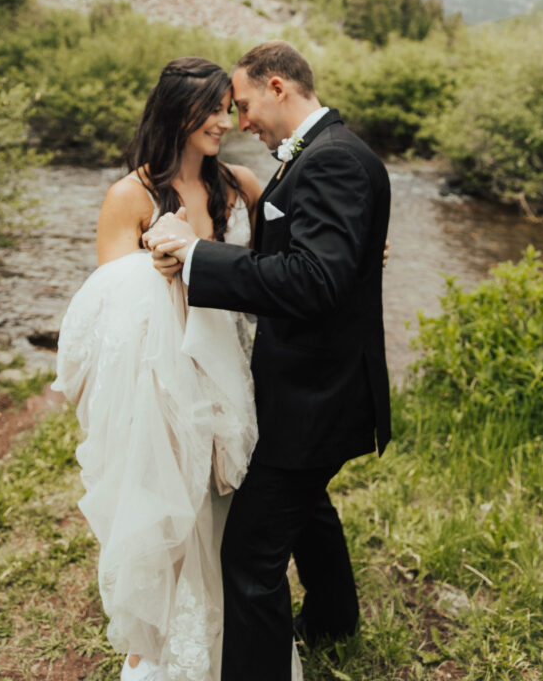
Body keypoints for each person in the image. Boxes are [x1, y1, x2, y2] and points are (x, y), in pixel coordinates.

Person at [146, 40, 392, 681]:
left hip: (315, 393)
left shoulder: (332, 160)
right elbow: (326, 257)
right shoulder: (323, 155)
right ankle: (334, 621)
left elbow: (315, 278)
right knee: (308, 506)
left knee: (250, 554)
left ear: (279, 86)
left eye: (247, 104)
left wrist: (197, 257)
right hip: (316, 385)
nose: (241, 121)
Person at [53, 57, 304, 681]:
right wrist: (157, 267)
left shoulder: (241, 183)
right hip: (163, 383)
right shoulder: (127, 196)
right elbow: (110, 310)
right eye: (215, 109)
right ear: (178, 110)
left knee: (231, 511)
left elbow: (296, 258)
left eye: (230, 108)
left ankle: (234, 648)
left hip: (237, 374)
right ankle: (159, 646)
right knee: (169, 507)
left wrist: (363, 243)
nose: (226, 121)